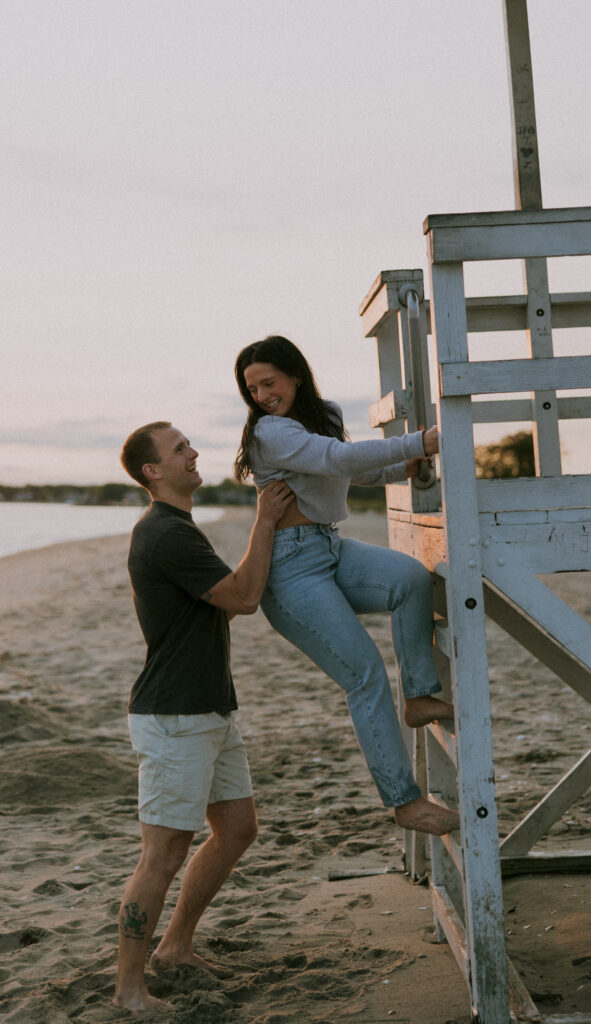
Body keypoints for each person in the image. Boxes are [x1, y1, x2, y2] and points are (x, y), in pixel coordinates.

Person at [234, 336, 460, 837]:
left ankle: (420, 696)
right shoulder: (269, 432)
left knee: (409, 579)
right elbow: (337, 460)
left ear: (295, 374)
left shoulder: (327, 415)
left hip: (328, 548)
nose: (261, 396)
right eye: (251, 388)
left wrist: (400, 466)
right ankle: (404, 802)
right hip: (289, 568)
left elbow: (342, 471)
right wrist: (418, 441)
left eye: (268, 382)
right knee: (364, 675)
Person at [114, 420, 293, 1015]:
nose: (193, 453)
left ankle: (176, 945)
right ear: (153, 472)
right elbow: (242, 598)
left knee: (238, 828)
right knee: (162, 854)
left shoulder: (178, 527)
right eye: (179, 449)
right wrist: (264, 521)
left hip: (208, 707)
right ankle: (129, 990)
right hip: (174, 717)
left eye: (189, 444)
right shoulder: (165, 534)